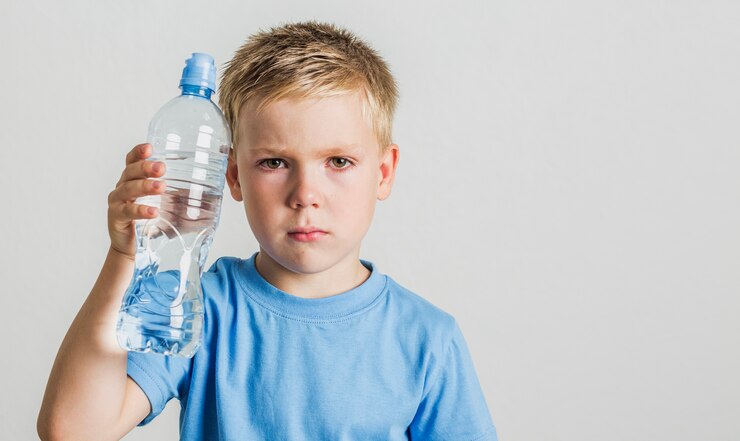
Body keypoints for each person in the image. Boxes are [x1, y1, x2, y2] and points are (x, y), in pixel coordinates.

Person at [37, 20, 497, 440]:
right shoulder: (205, 307)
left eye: (338, 161)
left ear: (383, 172)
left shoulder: (427, 340)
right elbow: (73, 431)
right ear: (232, 175)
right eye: (275, 162)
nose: (305, 194)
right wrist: (124, 257)